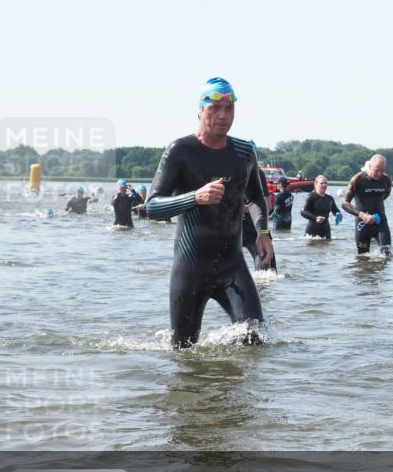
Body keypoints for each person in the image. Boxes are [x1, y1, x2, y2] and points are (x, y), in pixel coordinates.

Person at [145, 77, 274, 348]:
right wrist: (195, 197)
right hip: (191, 267)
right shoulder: (180, 150)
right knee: (184, 350)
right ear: (200, 110)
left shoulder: (244, 152)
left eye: (229, 109)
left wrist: (263, 232)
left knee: (256, 338)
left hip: (232, 265)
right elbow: (152, 206)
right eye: (215, 108)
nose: (223, 116)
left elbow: (256, 198)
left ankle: (238, 390)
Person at [342, 154, 393, 255]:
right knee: (363, 258)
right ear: (369, 166)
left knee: (386, 254)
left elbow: (385, 196)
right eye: (376, 170)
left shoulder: (386, 180)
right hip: (362, 223)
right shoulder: (357, 180)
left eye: (382, 170)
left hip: (380, 221)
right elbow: (345, 203)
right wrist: (363, 215)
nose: (379, 174)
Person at [243, 168, 277, 272]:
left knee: (267, 273)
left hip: (254, 229)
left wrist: (244, 208)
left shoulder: (257, 172)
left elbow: (268, 205)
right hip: (234, 230)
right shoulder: (257, 171)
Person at [301, 174, 341, 239]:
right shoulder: (311, 197)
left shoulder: (329, 198)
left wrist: (338, 214)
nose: (324, 185)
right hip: (312, 231)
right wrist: (315, 218)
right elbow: (303, 211)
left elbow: (335, 209)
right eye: (321, 183)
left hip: (326, 230)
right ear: (316, 184)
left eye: (325, 183)